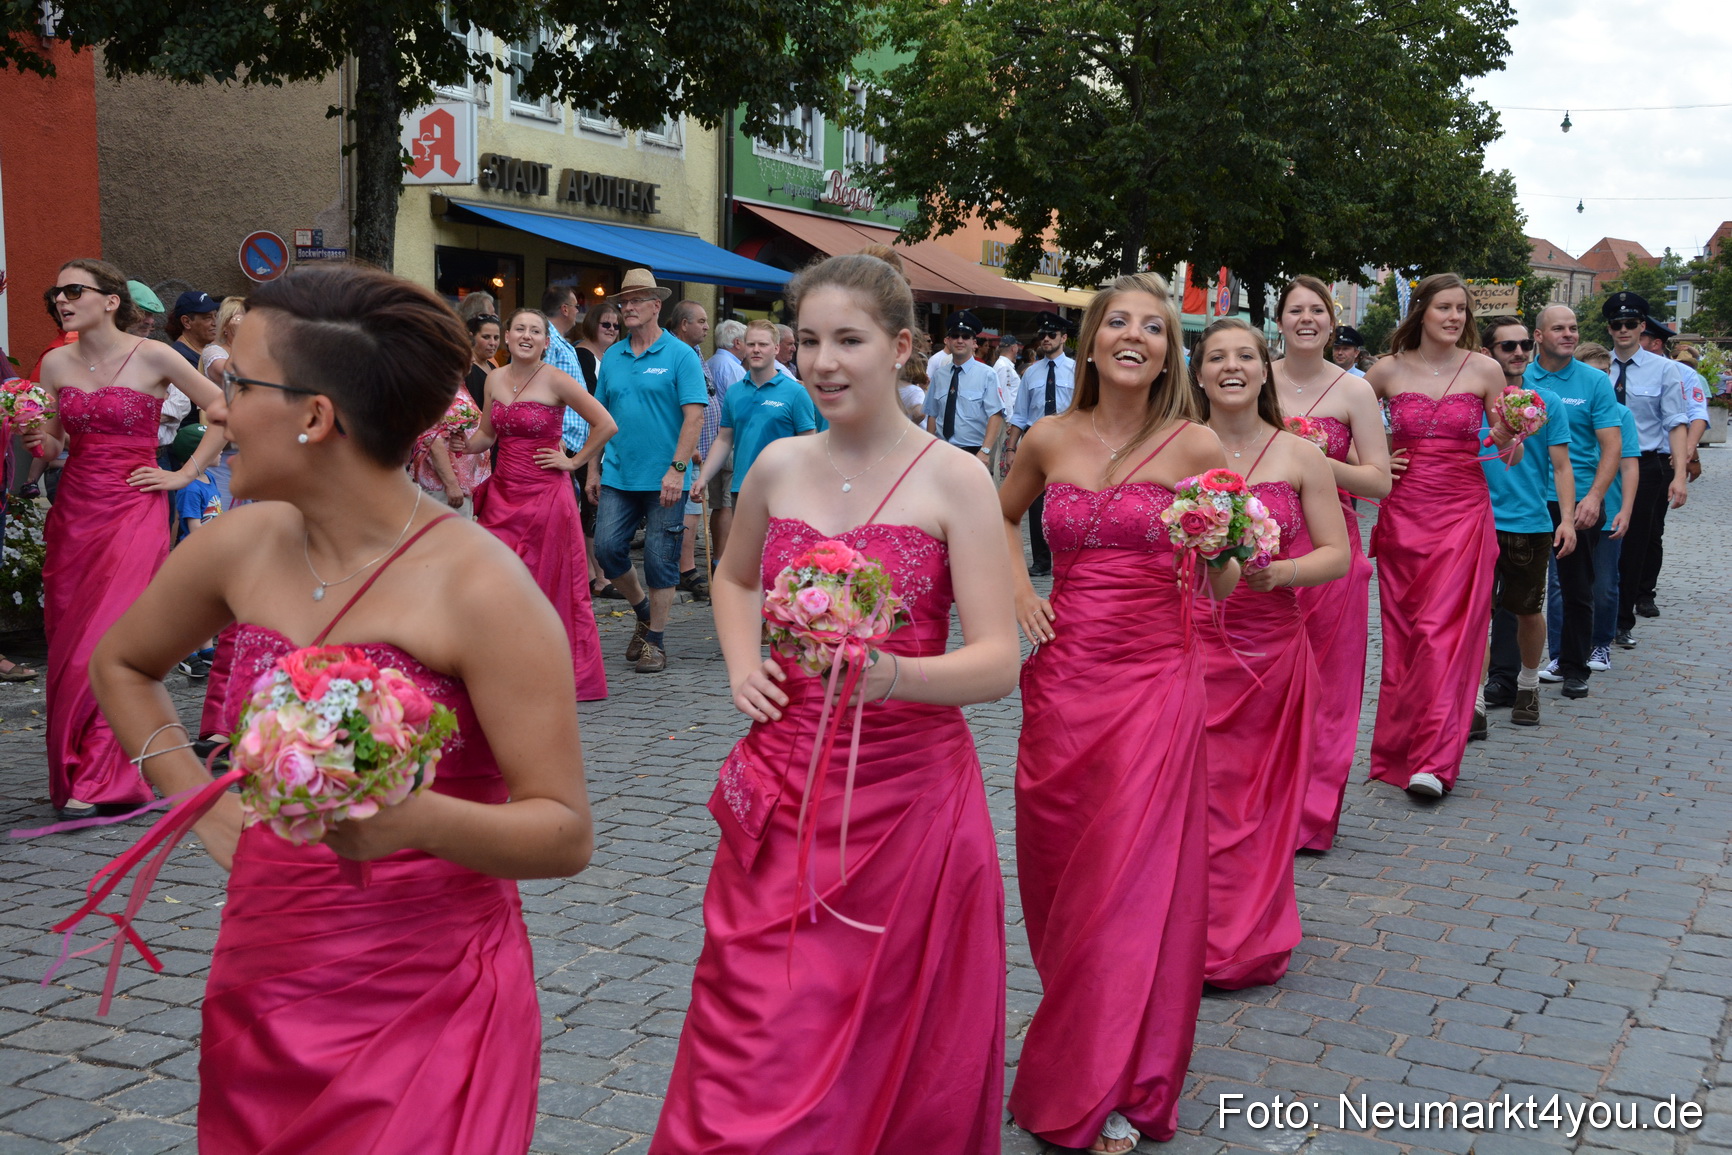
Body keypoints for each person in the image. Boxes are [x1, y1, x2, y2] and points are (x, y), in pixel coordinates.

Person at [89, 262, 593, 1153]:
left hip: (427, 988)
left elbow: (562, 831)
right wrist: (197, 802)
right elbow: (122, 664)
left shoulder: (484, 588)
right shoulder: (240, 545)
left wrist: (412, 820)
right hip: (267, 966)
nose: (216, 410)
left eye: (239, 386)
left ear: (316, 417)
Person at [652, 253, 1017, 1153]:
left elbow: (999, 659)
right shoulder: (778, 466)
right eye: (810, 339)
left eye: (847, 340)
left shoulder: (955, 478)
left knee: (893, 1024)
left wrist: (899, 677)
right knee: (758, 1016)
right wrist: (744, 666)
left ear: (900, 348)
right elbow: (735, 581)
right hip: (786, 777)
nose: (823, 361)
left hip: (909, 800)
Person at [1000, 272, 1238, 1152]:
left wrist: (1220, 544)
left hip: (1155, 682)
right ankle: (1075, 1042)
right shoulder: (1048, 437)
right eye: (1119, 322)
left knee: (1128, 882)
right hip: (1063, 687)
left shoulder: (1195, 443)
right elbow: (993, 519)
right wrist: (1022, 587)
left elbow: (1229, 577)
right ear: (1093, 340)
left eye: (1154, 326)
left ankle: (1117, 1081)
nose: (1135, 336)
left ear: (1170, 350)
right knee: (1062, 877)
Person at [29, 259, 229, 821]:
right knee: (69, 645)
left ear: (111, 299)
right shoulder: (55, 362)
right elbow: (51, 446)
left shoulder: (156, 355)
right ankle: (76, 770)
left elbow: (223, 413)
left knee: (106, 637)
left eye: (74, 290)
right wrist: (33, 438)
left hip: (134, 509)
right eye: (57, 291)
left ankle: (101, 773)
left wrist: (185, 474)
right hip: (74, 514)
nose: (62, 300)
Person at [1193, 316, 1348, 987]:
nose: (1232, 367)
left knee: (1257, 797)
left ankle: (1247, 931)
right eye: (1217, 356)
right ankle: (1189, 929)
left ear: (1265, 370)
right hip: (1191, 644)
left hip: (1272, 647)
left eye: (1245, 357)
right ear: (1197, 373)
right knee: (1200, 794)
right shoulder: (1174, 451)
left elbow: (1337, 554)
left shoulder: (1298, 456)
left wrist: (1281, 572)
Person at [1364, 273, 1514, 799]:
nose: (1454, 317)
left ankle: (1434, 759)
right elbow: (1355, 432)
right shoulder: (1385, 371)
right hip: (1404, 514)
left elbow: (1507, 450)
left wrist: (1509, 435)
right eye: (1444, 307)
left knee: (1440, 631)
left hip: (1462, 513)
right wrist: (1380, 455)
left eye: (1462, 310)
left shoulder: (1486, 369)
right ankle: (1402, 749)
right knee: (1406, 636)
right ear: (1421, 310)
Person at [1270, 276, 1390, 850]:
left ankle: (1313, 813)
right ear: (1280, 319)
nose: (1307, 319)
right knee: (1263, 679)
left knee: (1331, 683)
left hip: (1329, 542)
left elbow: (1379, 480)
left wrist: (1314, 462)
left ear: (1332, 320)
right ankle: (1259, 802)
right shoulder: (1254, 377)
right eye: (1296, 310)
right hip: (1261, 541)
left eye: (1318, 310)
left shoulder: (1354, 392)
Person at [467, 308, 617, 702]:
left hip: (547, 498)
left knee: (548, 584)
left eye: (536, 331)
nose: (527, 336)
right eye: (520, 329)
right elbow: (486, 434)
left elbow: (606, 424)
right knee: (499, 582)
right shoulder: (494, 378)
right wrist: (456, 442)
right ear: (508, 335)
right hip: (503, 496)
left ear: (547, 342)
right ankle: (505, 666)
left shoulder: (557, 379)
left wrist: (574, 461)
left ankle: (551, 673)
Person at [584, 269, 707, 674]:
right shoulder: (614, 356)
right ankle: (640, 608)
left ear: (657, 306)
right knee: (606, 549)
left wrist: (677, 470)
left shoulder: (681, 355)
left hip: (665, 478)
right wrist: (592, 469)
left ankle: (654, 640)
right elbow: (599, 417)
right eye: (624, 301)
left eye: (637, 300)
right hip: (618, 472)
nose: (628, 307)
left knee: (660, 560)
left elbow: (694, 418)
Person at [1475, 316, 1574, 732]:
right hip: (1475, 519)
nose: (1518, 353)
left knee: (1528, 611)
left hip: (1529, 521)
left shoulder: (1545, 400)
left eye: (1523, 346)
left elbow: (1562, 465)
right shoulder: (1469, 401)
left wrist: (1566, 519)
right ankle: (1475, 701)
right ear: (1487, 353)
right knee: (1476, 614)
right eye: (1506, 346)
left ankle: (1528, 685)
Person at [1518, 305, 1622, 695]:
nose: (1569, 334)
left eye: (1574, 328)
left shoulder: (1594, 382)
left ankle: (1574, 666)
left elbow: (1612, 446)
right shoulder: (1520, 377)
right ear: (1539, 335)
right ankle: (1508, 672)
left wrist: (1595, 497)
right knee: (1519, 590)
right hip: (1527, 499)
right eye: (1559, 328)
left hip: (1577, 501)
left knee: (1578, 587)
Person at [1543, 342, 1638, 677]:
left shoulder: (1621, 414)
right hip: (1569, 501)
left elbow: (1628, 465)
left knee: (1603, 583)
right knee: (1560, 584)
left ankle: (1600, 642)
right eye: (1594, 374)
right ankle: (1561, 652)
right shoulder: (1564, 408)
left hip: (1603, 507)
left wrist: (1624, 508)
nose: (1601, 381)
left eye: (1606, 374)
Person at [1602, 293, 1689, 639]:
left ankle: (1622, 621)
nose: (1623, 330)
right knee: (1599, 540)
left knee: (1635, 543)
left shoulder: (1664, 369)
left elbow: (1676, 422)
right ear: (1609, 328)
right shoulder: (1597, 368)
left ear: (1642, 327)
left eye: (1630, 324)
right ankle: (1596, 615)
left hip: (1646, 464)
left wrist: (1679, 474)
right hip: (1602, 466)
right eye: (1616, 324)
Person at [692, 318, 817, 502]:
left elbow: (809, 446)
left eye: (763, 344)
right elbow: (724, 440)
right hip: (742, 491)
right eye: (751, 344)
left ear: (775, 348)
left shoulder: (796, 393)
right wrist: (703, 478)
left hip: (784, 493)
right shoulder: (734, 392)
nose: (756, 349)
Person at [1003, 312, 1078, 577]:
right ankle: (1041, 560)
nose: (1046, 339)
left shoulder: (1077, 371)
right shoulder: (1031, 373)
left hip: (1069, 443)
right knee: (1035, 504)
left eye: (1052, 335)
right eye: (1043, 335)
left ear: (1064, 338)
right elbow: (1020, 414)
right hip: (1036, 444)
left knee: (1069, 501)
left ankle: (1068, 557)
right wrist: (1011, 448)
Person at [410, 316, 494, 516]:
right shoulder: (435, 389)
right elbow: (431, 438)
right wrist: (451, 484)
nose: (472, 358)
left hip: (461, 485)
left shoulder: (454, 385)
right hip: (443, 488)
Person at [670, 299, 718, 598]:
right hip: (687, 452)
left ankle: (683, 566)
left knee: (694, 511)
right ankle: (684, 569)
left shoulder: (696, 352)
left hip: (703, 450)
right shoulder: (676, 354)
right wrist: (690, 447)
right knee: (687, 511)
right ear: (684, 324)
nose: (706, 326)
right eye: (700, 321)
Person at [573, 304, 620, 597]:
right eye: (606, 324)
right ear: (592, 324)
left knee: (594, 508)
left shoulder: (611, 356)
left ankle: (596, 574)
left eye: (616, 325)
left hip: (604, 440)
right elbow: (591, 400)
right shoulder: (582, 355)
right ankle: (596, 576)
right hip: (585, 440)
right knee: (591, 507)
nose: (612, 330)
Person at [924, 310, 1005, 464]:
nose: (960, 340)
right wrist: (930, 447)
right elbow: (932, 414)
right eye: (955, 336)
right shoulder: (939, 375)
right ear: (947, 340)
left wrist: (985, 450)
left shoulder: (987, 374)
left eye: (965, 337)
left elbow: (996, 414)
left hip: (973, 451)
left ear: (974, 342)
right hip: (942, 449)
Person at [165, 290, 219, 368]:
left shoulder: (211, 349)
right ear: (186, 322)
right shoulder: (179, 357)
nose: (215, 323)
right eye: (208, 317)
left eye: (216, 316)